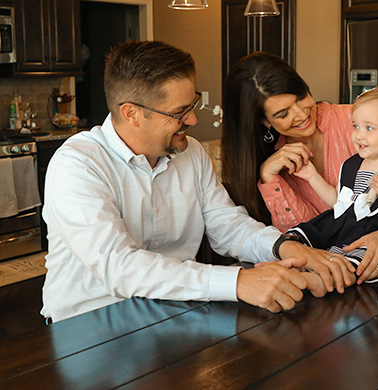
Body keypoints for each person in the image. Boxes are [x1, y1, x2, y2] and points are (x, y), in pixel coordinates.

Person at [41, 41, 347, 323]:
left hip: (175, 309)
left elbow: (227, 225)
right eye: (179, 112)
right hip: (91, 322)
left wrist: (285, 247)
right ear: (131, 114)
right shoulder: (78, 165)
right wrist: (238, 283)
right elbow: (120, 267)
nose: (193, 120)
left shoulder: (191, 153)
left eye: (193, 104)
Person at [221, 52, 378, 284]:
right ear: (265, 122)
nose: (301, 114)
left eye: (300, 98)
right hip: (327, 267)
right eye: (283, 113)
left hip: (367, 268)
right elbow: (305, 228)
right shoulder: (275, 160)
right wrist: (269, 177)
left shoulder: (367, 121)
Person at [286, 84, 378, 286]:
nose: (358, 135)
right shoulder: (351, 164)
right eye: (355, 126)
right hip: (345, 228)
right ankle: (298, 266)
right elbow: (339, 203)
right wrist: (313, 177)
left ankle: (318, 280)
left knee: (364, 258)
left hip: (373, 231)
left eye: (369, 128)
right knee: (303, 236)